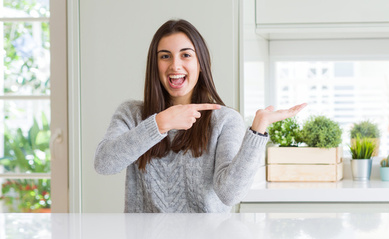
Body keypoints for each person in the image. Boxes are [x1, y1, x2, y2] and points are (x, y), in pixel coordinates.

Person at [93, 19, 306, 213]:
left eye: (186, 55)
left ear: (200, 63)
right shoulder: (131, 113)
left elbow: (230, 194)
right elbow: (104, 164)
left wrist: (257, 130)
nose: (175, 65)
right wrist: (160, 124)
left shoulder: (225, 120)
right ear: (154, 65)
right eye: (165, 56)